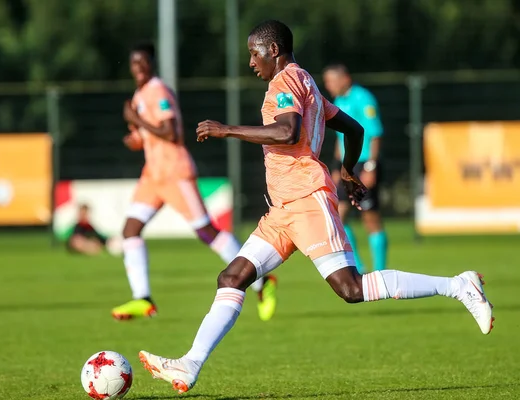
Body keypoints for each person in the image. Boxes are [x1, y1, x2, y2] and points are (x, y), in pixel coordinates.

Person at [137, 20, 494, 394]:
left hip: (306, 200)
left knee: (351, 289)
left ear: (273, 49)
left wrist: (226, 130)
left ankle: (458, 285)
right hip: (282, 211)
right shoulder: (305, 81)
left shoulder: (286, 81)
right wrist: (348, 170)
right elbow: (353, 129)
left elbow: (287, 132)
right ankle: (190, 365)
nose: (251, 62)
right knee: (232, 277)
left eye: (254, 53)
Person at [112, 42, 277, 321]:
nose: (138, 67)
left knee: (206, 232)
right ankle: (143, 299)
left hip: (175, 173)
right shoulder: (140, 94)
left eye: (143, 62)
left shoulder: (158, 91)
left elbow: (170, 132)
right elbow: (150, 135)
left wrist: (136, 119)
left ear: (151, 63)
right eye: (133, 63)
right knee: (130, 230)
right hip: (153, 174)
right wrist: (136, 139)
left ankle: (262, 281)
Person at [323, 64, 387, 273]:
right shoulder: (339, 101)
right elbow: (339, 139)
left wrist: (371, 166)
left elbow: (375, 134)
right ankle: (357, 267)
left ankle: (380, 270)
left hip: (364, 162)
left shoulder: (363, 98)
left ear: (345, 79)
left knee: (370, 217)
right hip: (346, 166)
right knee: (339, 216)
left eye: (331, 81)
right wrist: (335, 166)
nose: (328, 86)